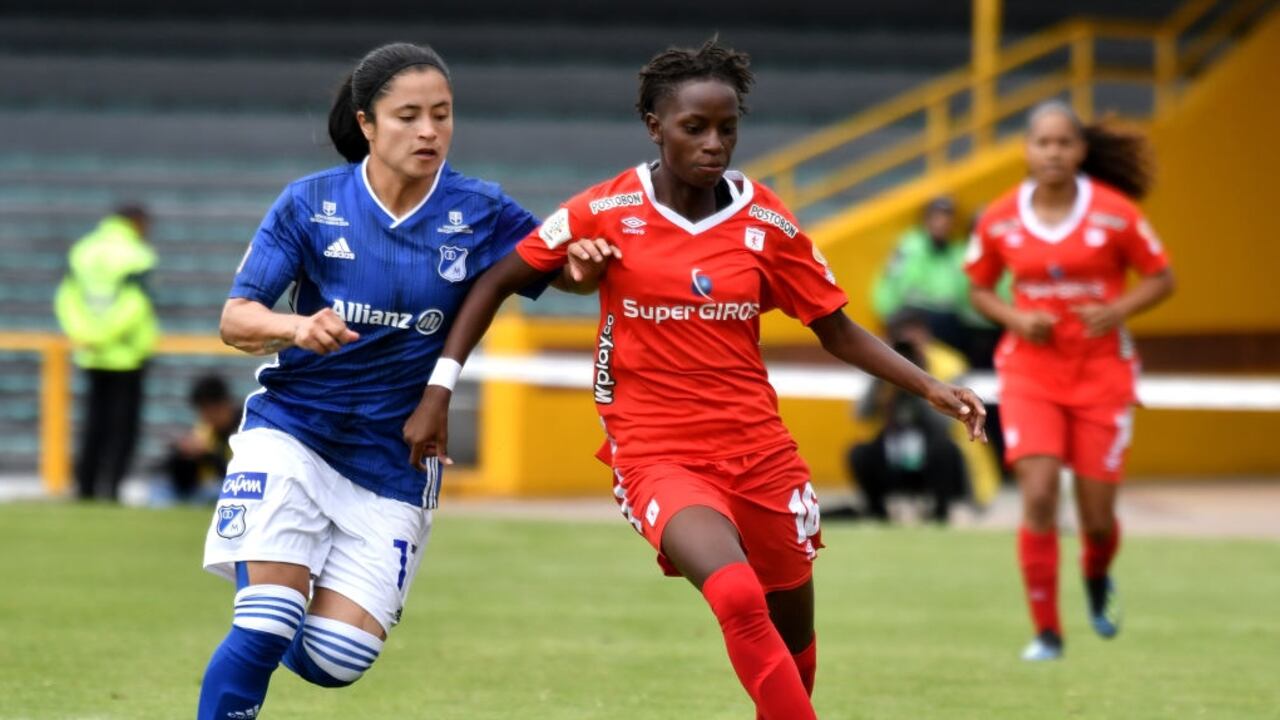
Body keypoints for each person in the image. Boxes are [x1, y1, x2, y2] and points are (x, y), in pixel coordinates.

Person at [403, 39, 987, 719]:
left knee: (792, 636)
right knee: (736, 596)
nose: (715, 144)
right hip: (655, 451)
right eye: (695, 127)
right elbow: (499, 279)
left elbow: (837, 329)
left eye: (727, 128)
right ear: (655, 124)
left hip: (760, 452)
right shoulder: (606, 210)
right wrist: (440, 388)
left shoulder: (767, 221)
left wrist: (932, 388)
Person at [196, 42, 609, 719]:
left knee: (337, 659)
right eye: (408, 116)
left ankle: (281, 604)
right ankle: (268, 605)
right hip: (295, 431)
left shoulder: (479, 208)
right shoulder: (309, 203)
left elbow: (554, 270)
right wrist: (298, 328)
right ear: (367, 124)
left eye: (442, 115)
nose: (429, 132)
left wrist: (583, 268)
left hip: (396, 456)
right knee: (265, 619)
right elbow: (235, 319)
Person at [965, 100, 1175, 661]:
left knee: (1097, 518)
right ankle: (1047, 633)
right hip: (1030, 373)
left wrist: (1117, 309)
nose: (1053, 152)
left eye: (1064, 143)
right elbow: (980, 286)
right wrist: (1014, 318)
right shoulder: (1000, 217)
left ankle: (1098, 574)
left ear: (1081, 151)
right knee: (1037, 495)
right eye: (1043, 142)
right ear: (1027, 150)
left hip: (1102, 374)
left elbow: (1161, 277)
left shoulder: (1115, 213)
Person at [53, 204, 158, 501]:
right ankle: (111, 490)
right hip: (127, 354)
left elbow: (66, 298)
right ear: (137, 222)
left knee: (93, 424)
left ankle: (84, 488)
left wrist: (84, 335)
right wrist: (107, 335)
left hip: (90, 352)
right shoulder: (137, 255)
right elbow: (135, 305)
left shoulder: (83, 251)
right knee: (122, 428)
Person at [847, 311, 970, 524]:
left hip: (931, 442)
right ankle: (878, 512)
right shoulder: (880, 362)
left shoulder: (948, 363)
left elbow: (948, 423)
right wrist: (883, 379)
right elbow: (860, 414)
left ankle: (940, 512)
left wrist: (921, 385)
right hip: (892, 441)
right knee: (859, 453)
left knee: (946, 450)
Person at [872, 196, 1003, 369]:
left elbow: (966, 293)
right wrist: (889, 318)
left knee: (983, 335)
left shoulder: (957, 252)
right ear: (926, 220)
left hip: (949, 318)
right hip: (915, 315)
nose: (941, 223)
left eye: (946, 219)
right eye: (936, 217)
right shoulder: (911, 246)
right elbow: (891, 281)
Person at [163, 374, 240, 503]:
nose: (204, 417)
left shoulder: (245, 429)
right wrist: (183, 456)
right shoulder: (205, 430)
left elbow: (242, 476)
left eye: (207, 410)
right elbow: (184, 483)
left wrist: (208, 454)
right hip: (205, 490)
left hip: (233, 488)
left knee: (213, 492)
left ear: (223, 405)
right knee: (160, 490)